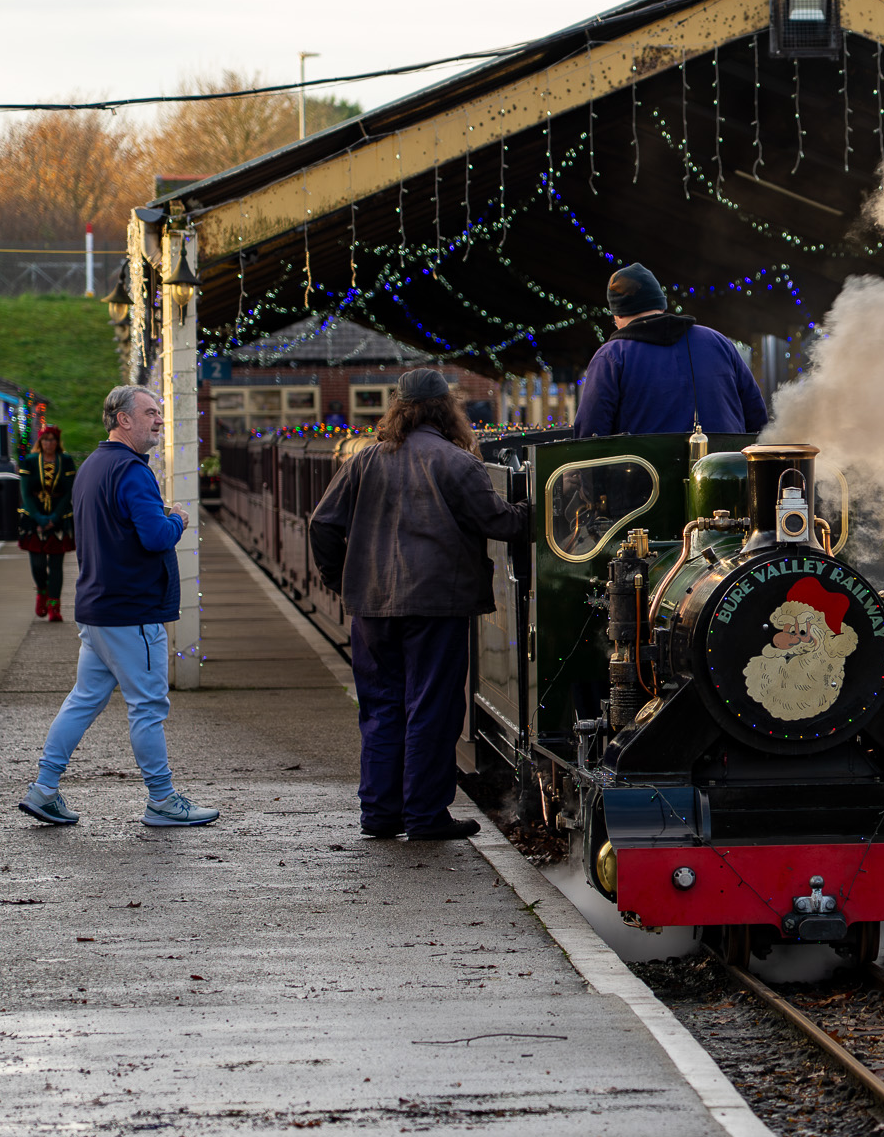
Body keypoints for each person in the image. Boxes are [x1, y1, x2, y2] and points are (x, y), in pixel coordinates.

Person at [309, 369, 529, 841]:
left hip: (371, 606)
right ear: (446, 409)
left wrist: (339, 578)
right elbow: (501, 523)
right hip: (437, 604)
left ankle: (380, 814)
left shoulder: (365, 461)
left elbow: (322, 524)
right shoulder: (455, 462)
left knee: (381, 708)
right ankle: (425, 816)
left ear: (399, 409)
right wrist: (544, 506)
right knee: (431, 707)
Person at [17, 385, 219, 829]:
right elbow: (156, 538)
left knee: (83, 700)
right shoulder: (133, 471)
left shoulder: (91, 467)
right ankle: (163, 800)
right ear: (123, 419)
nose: (159, 420)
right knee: (148, 707)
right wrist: (178, 519)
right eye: (150, 413)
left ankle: (43, 789)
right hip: (133, 611)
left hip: (97, 608)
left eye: (159, 413)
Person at [573, 263, 769, 438]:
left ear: (617, 315)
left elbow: (590, 437)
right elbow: (757, 419)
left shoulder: (611, 356)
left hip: (647, 477)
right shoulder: (719, 342)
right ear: (661, 304)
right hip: (725, 474)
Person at [17, 424, 76, 622]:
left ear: (57, 442)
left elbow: (68, 491)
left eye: (52, 439)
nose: (48, 443)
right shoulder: (31, 461)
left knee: (57, 564)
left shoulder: (65, 460)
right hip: (34, 518)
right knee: (38, 563)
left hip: (59, 518)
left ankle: (54, 607)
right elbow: (26, 492)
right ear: (40, 442)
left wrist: (54, 518)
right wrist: (39, 518)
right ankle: (41, 591)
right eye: (45, 439)